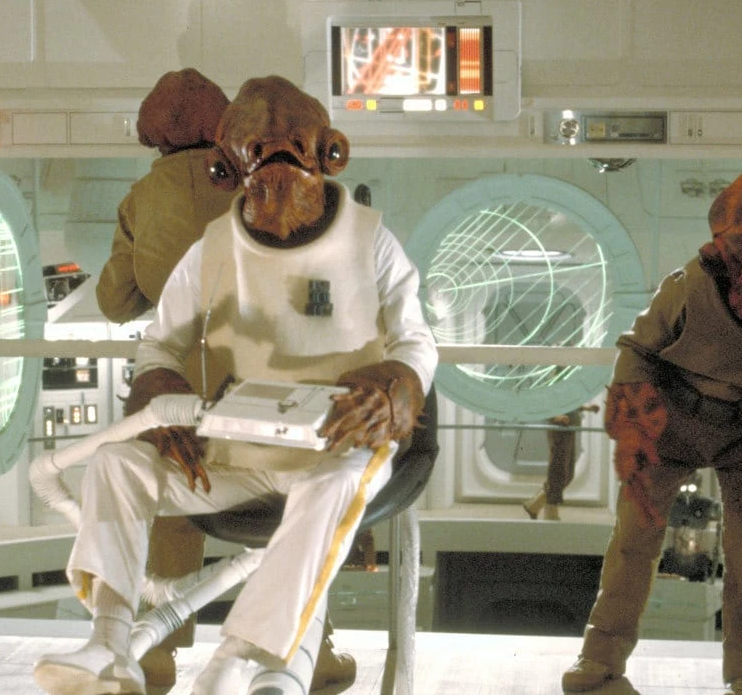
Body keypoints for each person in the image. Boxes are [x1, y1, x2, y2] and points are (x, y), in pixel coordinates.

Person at [33, 75, 437, 695]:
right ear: (227, 167)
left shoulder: (369, 240)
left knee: (332, 484)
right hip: (237, 449)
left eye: (293, 145)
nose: (277, 166)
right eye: (259, 149)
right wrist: (160, 398)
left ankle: (242, 656)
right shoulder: (213, 248)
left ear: (330, 152)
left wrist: (392, 394)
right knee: (116, 462)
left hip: (336, 445)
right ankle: (108, 641)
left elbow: (416, 341)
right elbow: (160, 344)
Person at [94, 67, 357, 692]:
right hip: (277, 385)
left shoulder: (141, 199)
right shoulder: (268, 182)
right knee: (303, 507)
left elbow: (115, 300)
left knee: (170, 502)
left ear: (156, 137)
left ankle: (156, 656)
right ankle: (310, 649)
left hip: (183, 386)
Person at [561, 165, 742, 695]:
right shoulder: (689, 287)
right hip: (674, 419)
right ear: (720, 259)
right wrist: (634, 428)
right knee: (635, 534)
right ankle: (601, 657)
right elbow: (638, 350)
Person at [522, 402, 599, 520]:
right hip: (558, 430)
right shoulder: (551, 389)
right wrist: (555, 417)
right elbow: (542, 404)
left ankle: (534, 505)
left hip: (569, 429)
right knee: (558, 473)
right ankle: (550, 513)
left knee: (568, 474)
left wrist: (585, 408)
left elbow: (568, 403)